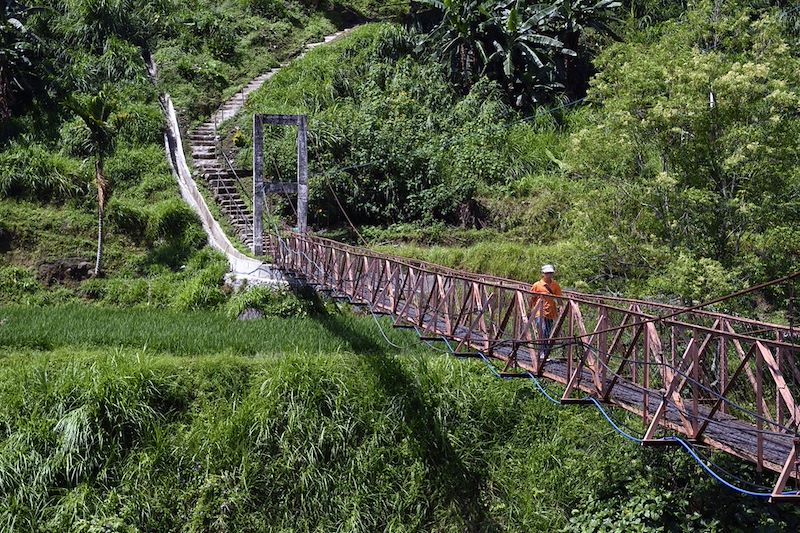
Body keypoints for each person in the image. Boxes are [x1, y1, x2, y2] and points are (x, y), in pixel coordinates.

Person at [531, 264, 562, 357]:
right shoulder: (537, 285)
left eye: (551, 273)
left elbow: (559, 297)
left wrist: (562, 307)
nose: (549, 275)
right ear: (543, 274)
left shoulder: (555, 285)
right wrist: (531, 309)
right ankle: (541, 352)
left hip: (550, 312)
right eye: (547, 273)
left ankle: (544, 351)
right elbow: (532, 297)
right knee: (542, 330)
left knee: (547, 333)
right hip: (539, 312)